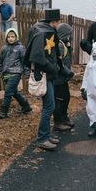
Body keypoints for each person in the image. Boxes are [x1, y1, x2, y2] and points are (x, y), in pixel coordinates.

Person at [24, 9, 62, 151]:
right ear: (53, 22)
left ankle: (46, 135)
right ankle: (43, 138)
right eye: (58, 22)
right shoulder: (42, 33)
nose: (59, 24)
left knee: (49, 105)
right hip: (45, 74)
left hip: (48, 74)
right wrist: (51, 67)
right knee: (49, 106)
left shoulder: (42, 29)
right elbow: (37, 55)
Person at [0, 28, 31, 119]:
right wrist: (0, 72)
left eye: (13, 36)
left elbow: (25, 61)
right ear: (6, 37)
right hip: (6, 73)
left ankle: (3, 112)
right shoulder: (4, 48)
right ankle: (26, 106)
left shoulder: (20, 48)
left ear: (16, 37)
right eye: (9, 37)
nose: (11, 38)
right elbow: (0, 61)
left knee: (8, 92)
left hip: (16, 73)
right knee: (14, 92)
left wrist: (27, 72)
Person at [53, 23, 75, 131]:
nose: (71, 36)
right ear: (64, 34)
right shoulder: (59, 45)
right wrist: (68, 72)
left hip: (62, 78)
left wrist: (69, 47)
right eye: (69, 34)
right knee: (59, 100)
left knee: (66, 98)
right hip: (58, 79)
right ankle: (57, 122)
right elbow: (57, 64)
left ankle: (64, 117)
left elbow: (67, 58)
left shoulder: (64, 44)